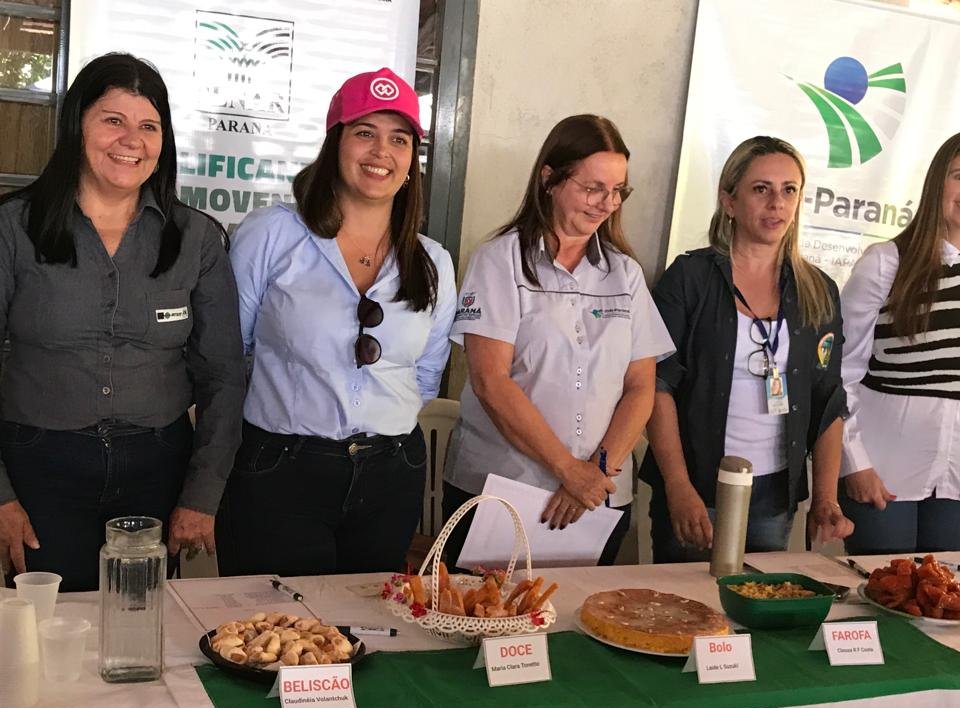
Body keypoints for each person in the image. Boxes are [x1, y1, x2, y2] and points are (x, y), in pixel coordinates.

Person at [0, 53, 245, 591]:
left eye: (148, 126)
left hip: (157, 469)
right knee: (51, 635)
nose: (130, 140)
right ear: (77, 125)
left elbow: (223, 374)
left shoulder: (196, 240)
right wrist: (0, 496)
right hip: (39, 468)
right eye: (113, 120)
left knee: (140, 629)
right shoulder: (13, 228)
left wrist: (201, 497)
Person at [216, 67, 457, 577]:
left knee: (370, 634)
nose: (381, 152)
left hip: (392, 472)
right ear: (335, 143)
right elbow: (226, 354)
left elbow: (427, 374)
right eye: (364, 133)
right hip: (281, 468)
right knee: (271, 634)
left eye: (399, 139)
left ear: (413, 158)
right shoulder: (272, 235)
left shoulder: (433, 261)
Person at [442, 114, 675, 567]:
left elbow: (641, 385)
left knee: (576, 627)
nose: (606, 203)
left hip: (596, 498)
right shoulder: (499, 261)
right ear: (549, 178)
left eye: (617, 190)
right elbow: (491, 381)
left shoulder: (624, 273)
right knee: (487, 625)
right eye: (592, 188)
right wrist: (569, 470)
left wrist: (596, 473)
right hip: (504, 491)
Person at [642, 136, 854, 563]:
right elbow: (656, 386)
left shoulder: (819, 289)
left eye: (788, 190)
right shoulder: (690, 277)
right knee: (681, 617)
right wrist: (678, 487)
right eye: (761, 189)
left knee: (753, 614)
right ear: (730, 201)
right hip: (696, 488)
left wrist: (826, 498)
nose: (777, 203)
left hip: (773, 494)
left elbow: (828, 399)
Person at [840, 129, 960, 555]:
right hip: (882, 473)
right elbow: (840, 374)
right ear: (938, 181)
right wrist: (854, 462)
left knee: (946, 609)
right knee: (884, 599)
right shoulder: (886, 263)